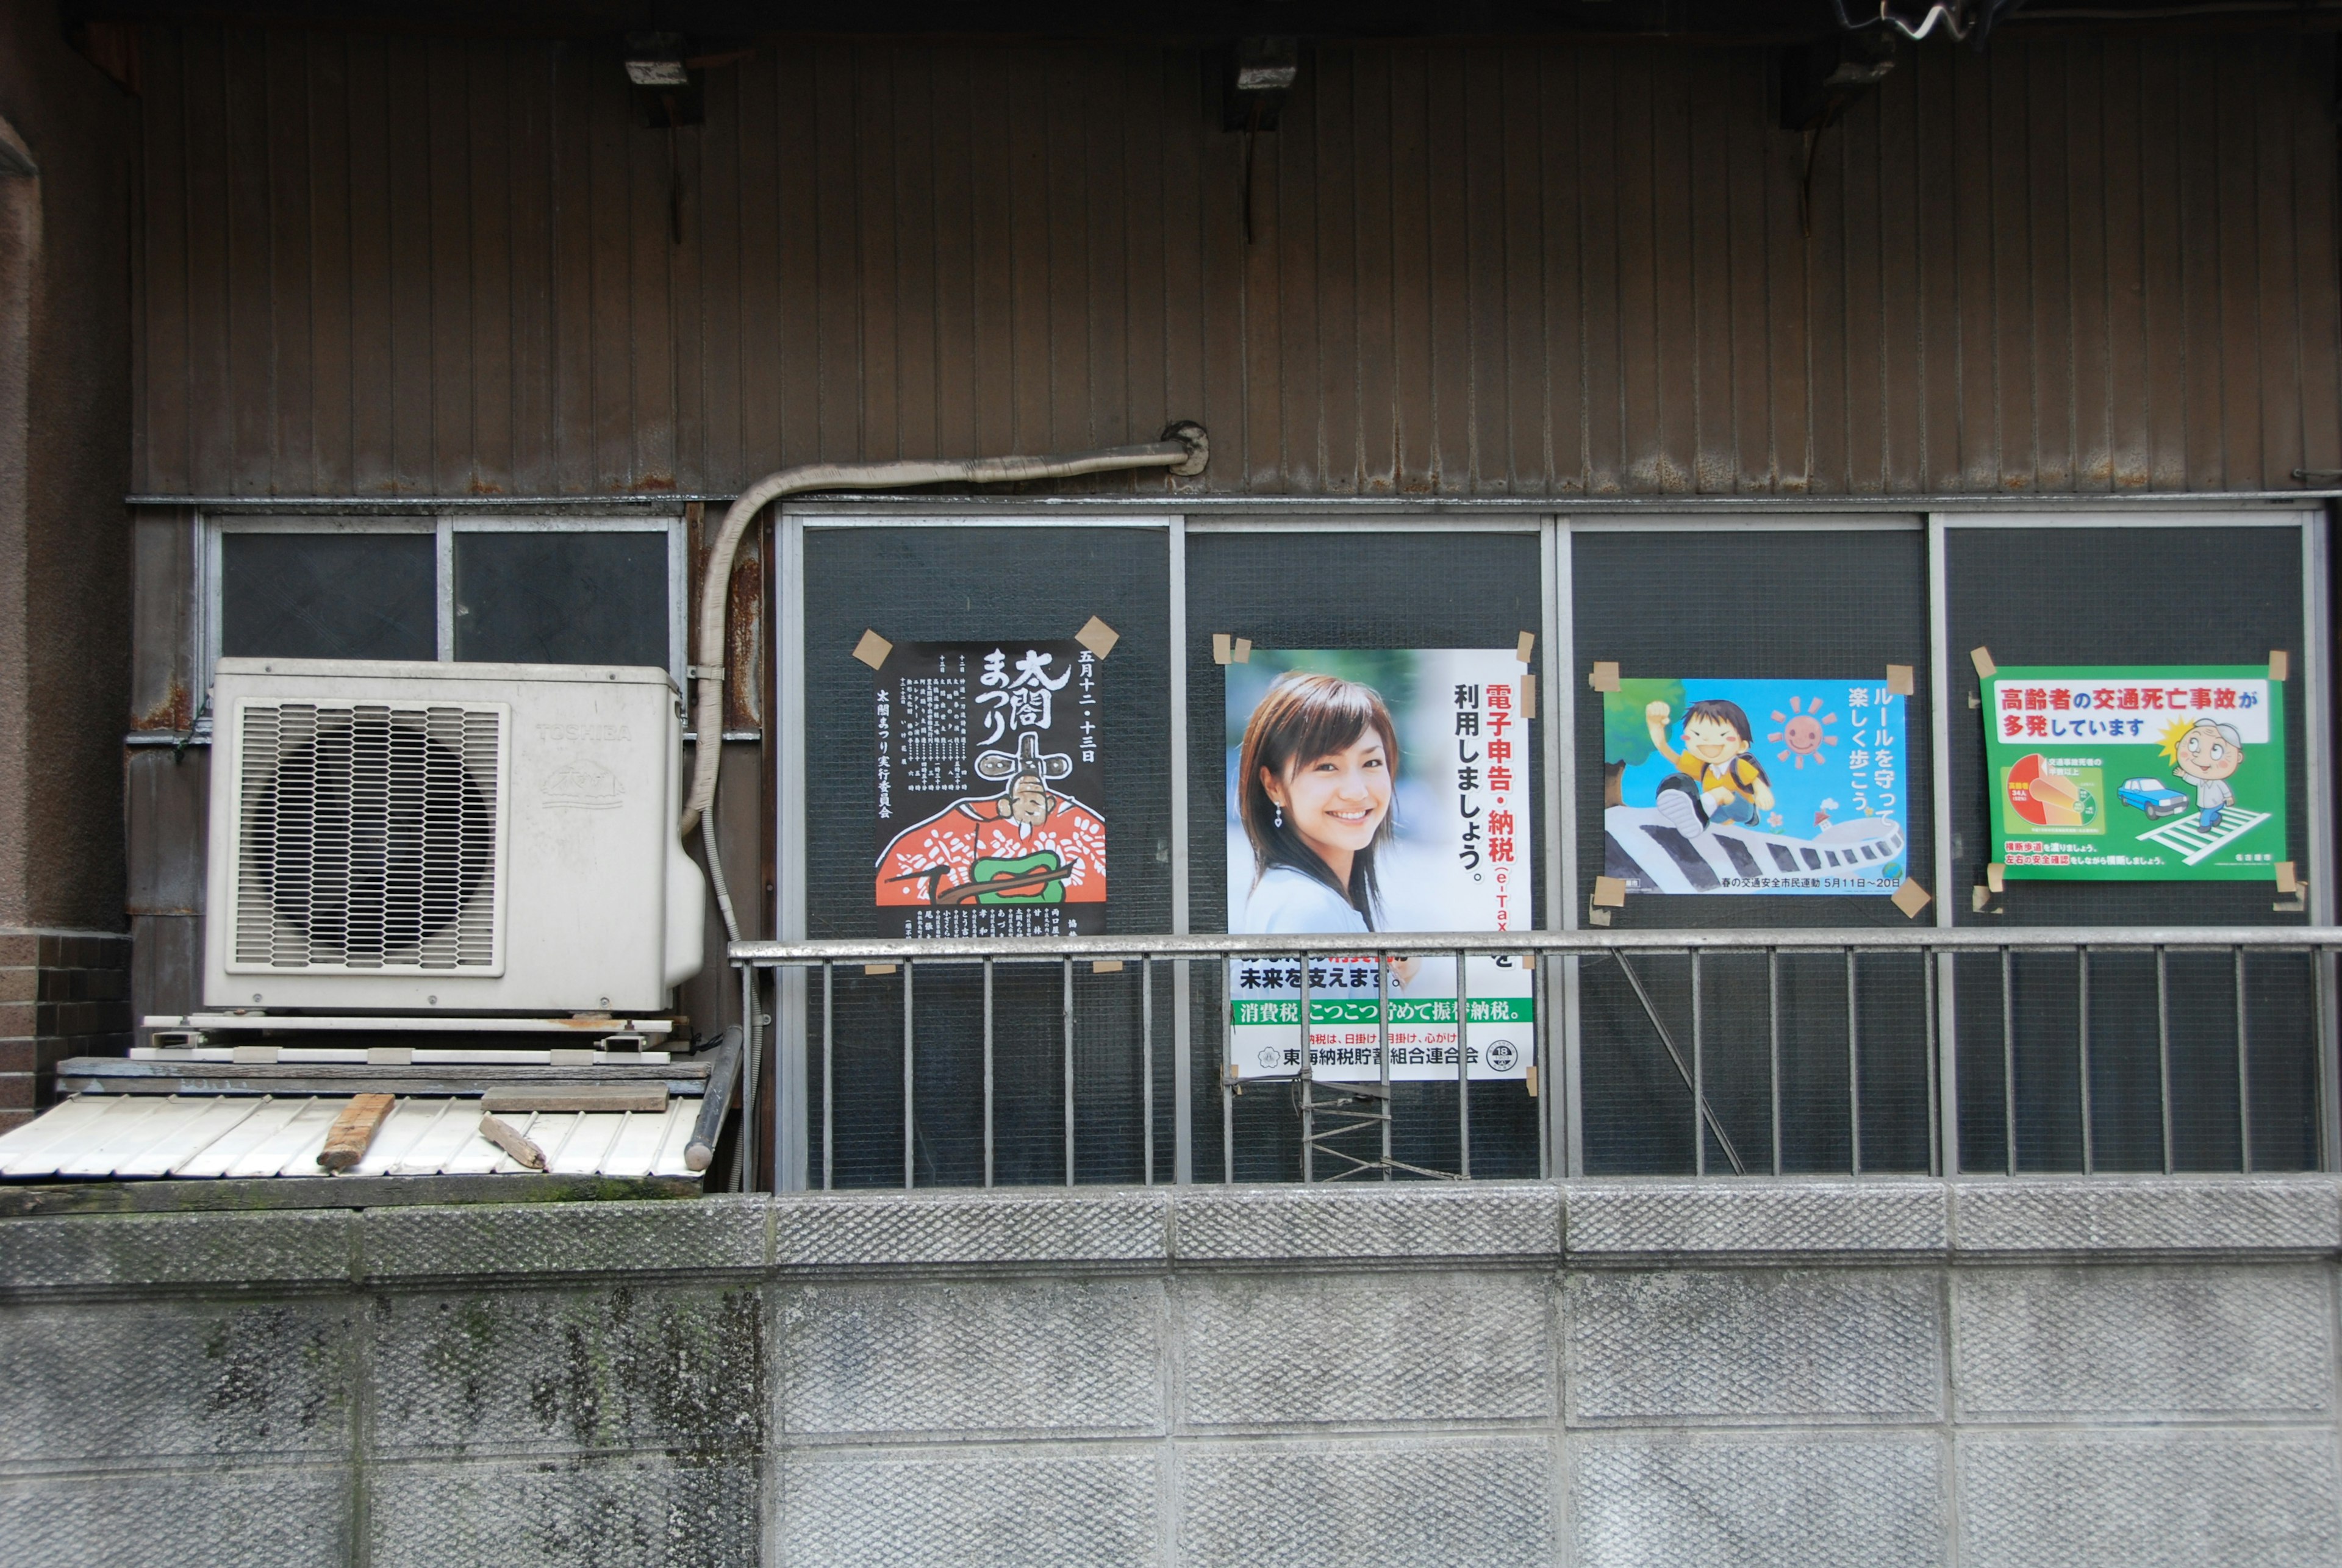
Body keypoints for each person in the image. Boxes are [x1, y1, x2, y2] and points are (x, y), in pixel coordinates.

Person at [1236, 670, 1402, 935]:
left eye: (1371, 763)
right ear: (1273, 786)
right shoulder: (1306, 909)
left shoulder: (1310, 898)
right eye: (1326, 766)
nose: (1356, 792)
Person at [1644, 696, 1776, 839]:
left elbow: (1756, 782)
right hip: (1718, 814)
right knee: (1679, 781)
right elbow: (1673, 757)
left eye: (1722, 735)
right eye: (1697, 734)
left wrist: (1763, 793)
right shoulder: (1705, 767)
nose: (1707, 740)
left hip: (1742, 809)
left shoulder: (1738, 765)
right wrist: (1656, 731)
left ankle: (1697, 815)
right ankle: (1690, 816)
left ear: (1742, 746)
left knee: (1722, 793)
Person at [2172, 717, 2244, 832]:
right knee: (2205, 812)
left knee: (2205, 816)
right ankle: (2217, 818)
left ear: (2238, 758)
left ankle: (2205, 826)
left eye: (2216, 750)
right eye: (2193, 744)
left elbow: (2224, 789)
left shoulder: (2217, 782)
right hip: (2202, 803)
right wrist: (2183, 775)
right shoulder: (2200, 780)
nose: (2201, 757)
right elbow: (2193, 781)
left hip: (2215, 803)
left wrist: (2228, 797)